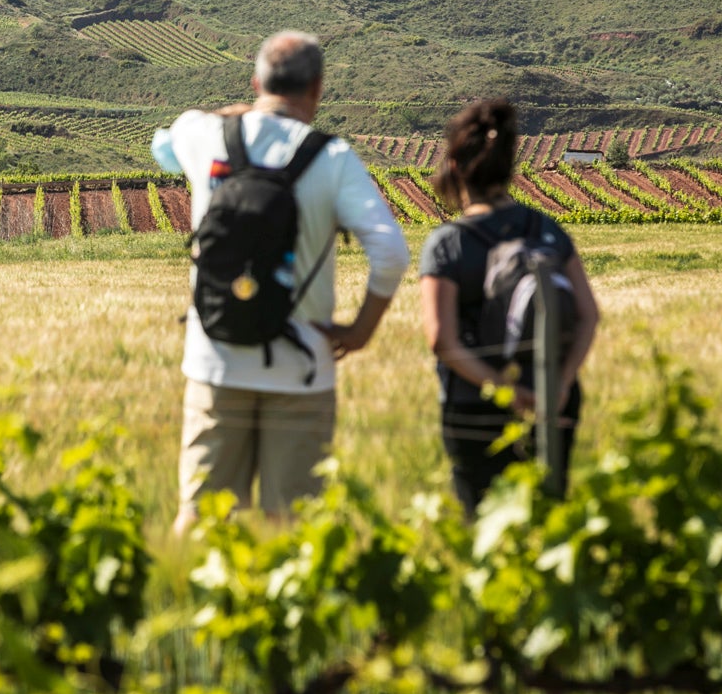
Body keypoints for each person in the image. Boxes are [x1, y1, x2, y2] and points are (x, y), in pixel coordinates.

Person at [152, 30, 410, 536]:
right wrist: (360, 331)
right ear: (317, 89)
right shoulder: (331, 159)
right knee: (294, 527)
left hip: (215, 359)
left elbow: (163, 149)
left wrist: (230, 116)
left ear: (255, 81)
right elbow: (391, 253)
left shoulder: (200, 135)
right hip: (301, 367)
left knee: (203, 521)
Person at [418, 98, 599, 518]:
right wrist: (559, 387)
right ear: (508, 169)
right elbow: (589, 315)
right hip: (554, 399)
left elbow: (441, 340)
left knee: (485, 530)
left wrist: (507, 393)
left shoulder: (448, 244)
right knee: (549, 518)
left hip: (474, 407)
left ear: (455, 168)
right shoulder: (545, 230)